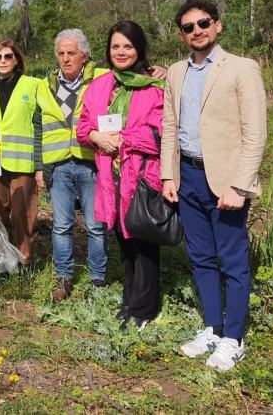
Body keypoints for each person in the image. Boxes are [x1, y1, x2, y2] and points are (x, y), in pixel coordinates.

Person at [161, 0, 267, 372]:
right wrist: (168, 174)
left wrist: (240, 186)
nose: (197, 31)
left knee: (233, 261)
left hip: (224, 180)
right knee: (201, 258)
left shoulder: (241, 68)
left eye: (203, 23)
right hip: (187, 176)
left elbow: (255, 133)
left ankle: (234, 339)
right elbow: (170, 127)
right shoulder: (175, 72)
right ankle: (214, 327)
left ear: (217, 25)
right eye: (189, 27)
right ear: (181, 34)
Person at [77, 21, 165, 330]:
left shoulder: (154, 88)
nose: (121, 52)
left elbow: (161, 133)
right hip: (110, 178)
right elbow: (83, 125)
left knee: (142, 242)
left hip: (140, 177)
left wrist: (125, 138)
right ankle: (130, 298)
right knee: (123, 241)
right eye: (116, 46)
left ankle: (145, 307)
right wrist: (96, 138)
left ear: (139, 49)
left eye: (128, 46)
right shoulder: (101, 85)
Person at [36, 29, 109, 299]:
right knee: (61, 225)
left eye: (71, 53)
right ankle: (63, 277)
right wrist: (39, 168)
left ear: (85, 55)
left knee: (94, 224)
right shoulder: (45, 85)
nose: (65, 58)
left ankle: (97, 278)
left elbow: (133, 78)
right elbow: (37, 127)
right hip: (58, 165)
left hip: (91, 162)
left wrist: (157, 70)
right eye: (61, 53)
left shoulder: (102, 79)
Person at [0, 39, 41, 265]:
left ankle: (24, 259)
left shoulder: (33, 84)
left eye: (8, 56)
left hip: (23, 159)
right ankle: (3, 260)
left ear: (17, 59)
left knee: (23, 213)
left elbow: (39, 122)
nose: (3, 61)